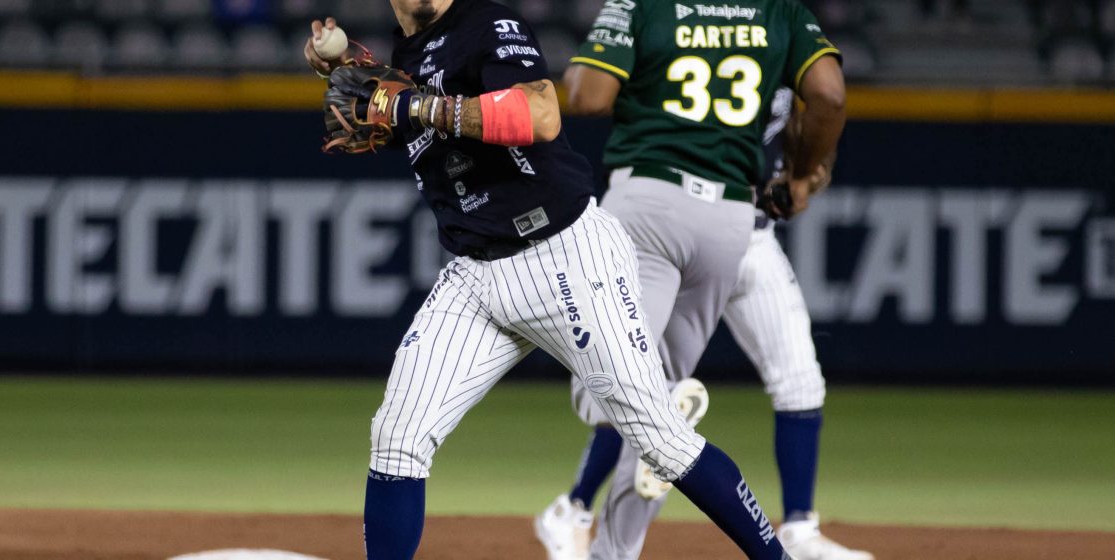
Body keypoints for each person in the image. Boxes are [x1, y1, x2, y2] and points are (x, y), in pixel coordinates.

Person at [305, 2, 795, 559]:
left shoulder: (485, 23)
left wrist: (413, 103)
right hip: (474, 274)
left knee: (662, 441)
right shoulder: (410, 53)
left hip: (563, 255)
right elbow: (403, 110)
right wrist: (346, 62)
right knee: (397, 437)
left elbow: (540, 115)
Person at [531, 1, 868, 559]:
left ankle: (650, 421)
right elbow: (830, 94)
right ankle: (610, 547)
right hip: (730, 219)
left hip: (650, 205)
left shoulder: (645, 3)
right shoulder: (777, 13)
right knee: (660, 421)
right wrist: (806, 174)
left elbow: (587, 97)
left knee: (615, 388)